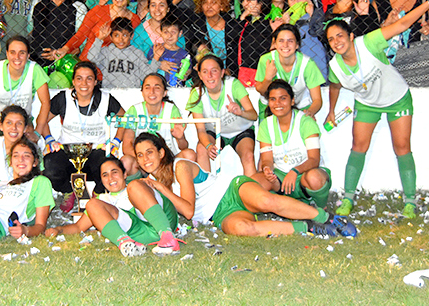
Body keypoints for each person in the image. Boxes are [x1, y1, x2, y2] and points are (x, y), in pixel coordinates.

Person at [324, 0, 429, 219]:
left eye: (340, 35)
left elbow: (403, 23)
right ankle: (348, 198)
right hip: (367, 103)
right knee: (358, 147)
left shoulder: (369, 43)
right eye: (331, 39)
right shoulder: (334, 65)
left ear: (351, 36)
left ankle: (410, 202)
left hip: (398, 99)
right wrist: (331, 110)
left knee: (402, 147)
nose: (336, 42)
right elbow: (334, 85)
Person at [134, 132, 356, 237]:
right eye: (140, 155)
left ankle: (326, 218)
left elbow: (188, 210)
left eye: (150, 153)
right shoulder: (150, 182)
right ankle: (308, 228)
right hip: (218, 214)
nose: (146, 159)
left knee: (265, 200)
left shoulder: (179, 166)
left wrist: (163, 189)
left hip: (231, 190)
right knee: (240, 229)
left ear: (162, 152)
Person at [45, 157, 181, 256]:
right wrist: (58, 229)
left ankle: (167, 237)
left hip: (162, 223)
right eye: (105, 175)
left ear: (125, 174)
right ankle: (127, 245)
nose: (110, 178)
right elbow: (79, 227)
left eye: (114, 172)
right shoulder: (103, 200)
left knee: (134, 186)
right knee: (92, 204)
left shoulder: (139, 185)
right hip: (137, 235)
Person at [43, 61, 126, 195]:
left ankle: (97, 197)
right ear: (74, 81)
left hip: (96, 151)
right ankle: (70, 194)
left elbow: (125, 120)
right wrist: (49, 139)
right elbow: (42, 120)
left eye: (89, 79)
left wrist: (116, 142)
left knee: (108, 167)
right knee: (50, 167)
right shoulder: (63, 98)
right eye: (79, 78)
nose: (84, 83)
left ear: (95, 82)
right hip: (67, 151)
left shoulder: (106, 99)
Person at [257, 79, 331, 207]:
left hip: (303, 175)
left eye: (283, 98)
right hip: (280, 177)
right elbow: (267, 159)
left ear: (292, 101)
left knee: (314, 178)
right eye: (273, 99)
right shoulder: (265, 125)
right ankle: (286, 206)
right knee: (253, 183)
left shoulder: (305, 122)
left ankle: (320, 208)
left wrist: (295, 171)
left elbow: (314, 160)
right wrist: (267, 169)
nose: (277, 103)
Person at [185, 54, 259, 176]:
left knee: (248, 156)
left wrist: (240, 112)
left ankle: (251, 191)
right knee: (201, 149)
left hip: (240, 130)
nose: (210, 75)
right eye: (205, 71)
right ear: (199, 75)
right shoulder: (197, 93)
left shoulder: (233, 85)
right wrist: (209, 146)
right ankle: (206, 188)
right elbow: (201, 130)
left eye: (214, 71)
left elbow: (253, 115)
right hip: (214, 132)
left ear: (222, 72)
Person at [0, 35, 51, 148]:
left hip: (21, 121)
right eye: (13, 52)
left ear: (28, 55)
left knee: (27, 149)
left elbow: (46, 102)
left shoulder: (35, 70)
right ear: (7, 54)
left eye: (22, 53)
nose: (17, 57)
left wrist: (37, 132)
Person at [50, 0, 140, 61]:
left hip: (113, 69)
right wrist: (65, 49)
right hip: (88, 63)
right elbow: (80, 35)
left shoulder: (135, 20)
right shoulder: (97, 11)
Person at [255, 24, 325, 120]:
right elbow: (261, 91)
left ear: (297, 45)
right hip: (271, 108)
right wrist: (268, 78)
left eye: (290, 41)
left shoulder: (307, 64)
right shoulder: (266, 60)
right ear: (274, 43)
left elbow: (317, 100)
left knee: (309, 129)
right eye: (281, 41)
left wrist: (309, 112)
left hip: (299, 106)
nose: (285, 45)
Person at [29, 0, 87, 67]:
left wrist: (59, 53)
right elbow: (34, 36)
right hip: (40, 60)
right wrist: (46, 54)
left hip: (67, 61)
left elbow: (81, 41)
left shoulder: (78, 7)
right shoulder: (38, 6)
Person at [119, 74, 188, 156]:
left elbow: (184, 147)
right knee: (126, 161)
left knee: (189, 154)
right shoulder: (134, 110)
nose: (152, 91)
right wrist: (144, 159)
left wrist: (180, 138)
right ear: (142, 92)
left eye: (157, 88)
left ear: (164, 93)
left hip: (166, 159)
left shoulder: (171, 110)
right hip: (143, 161)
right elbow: (127, 147)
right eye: (147, 88)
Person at [87, 17, 159, 89]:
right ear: (111, 37)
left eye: (125, 35)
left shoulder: (137, 54)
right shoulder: (107, 52)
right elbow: (91, 57)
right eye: (116, 35)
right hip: (110, 92)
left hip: (131, 93)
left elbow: (147, 75)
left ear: (131, 36)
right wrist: (100, 38)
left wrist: (156, 58)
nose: (120, 39)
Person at [186, 0, 238, 73]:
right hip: (205, 69)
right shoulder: (197, 24)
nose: (208, 6)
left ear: (221, 6)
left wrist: (230, 70)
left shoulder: (233, 26)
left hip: (230, 70)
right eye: (205, 2)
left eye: (213, 2)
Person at [233, 0, 273, 86]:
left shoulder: (270, 20)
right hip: (244, 69)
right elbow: (232, 37)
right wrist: (242, 17)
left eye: (249, 0)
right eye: (243, 0)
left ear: (261, 0)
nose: (245, 4)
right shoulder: (244, 21)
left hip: (262, 69)